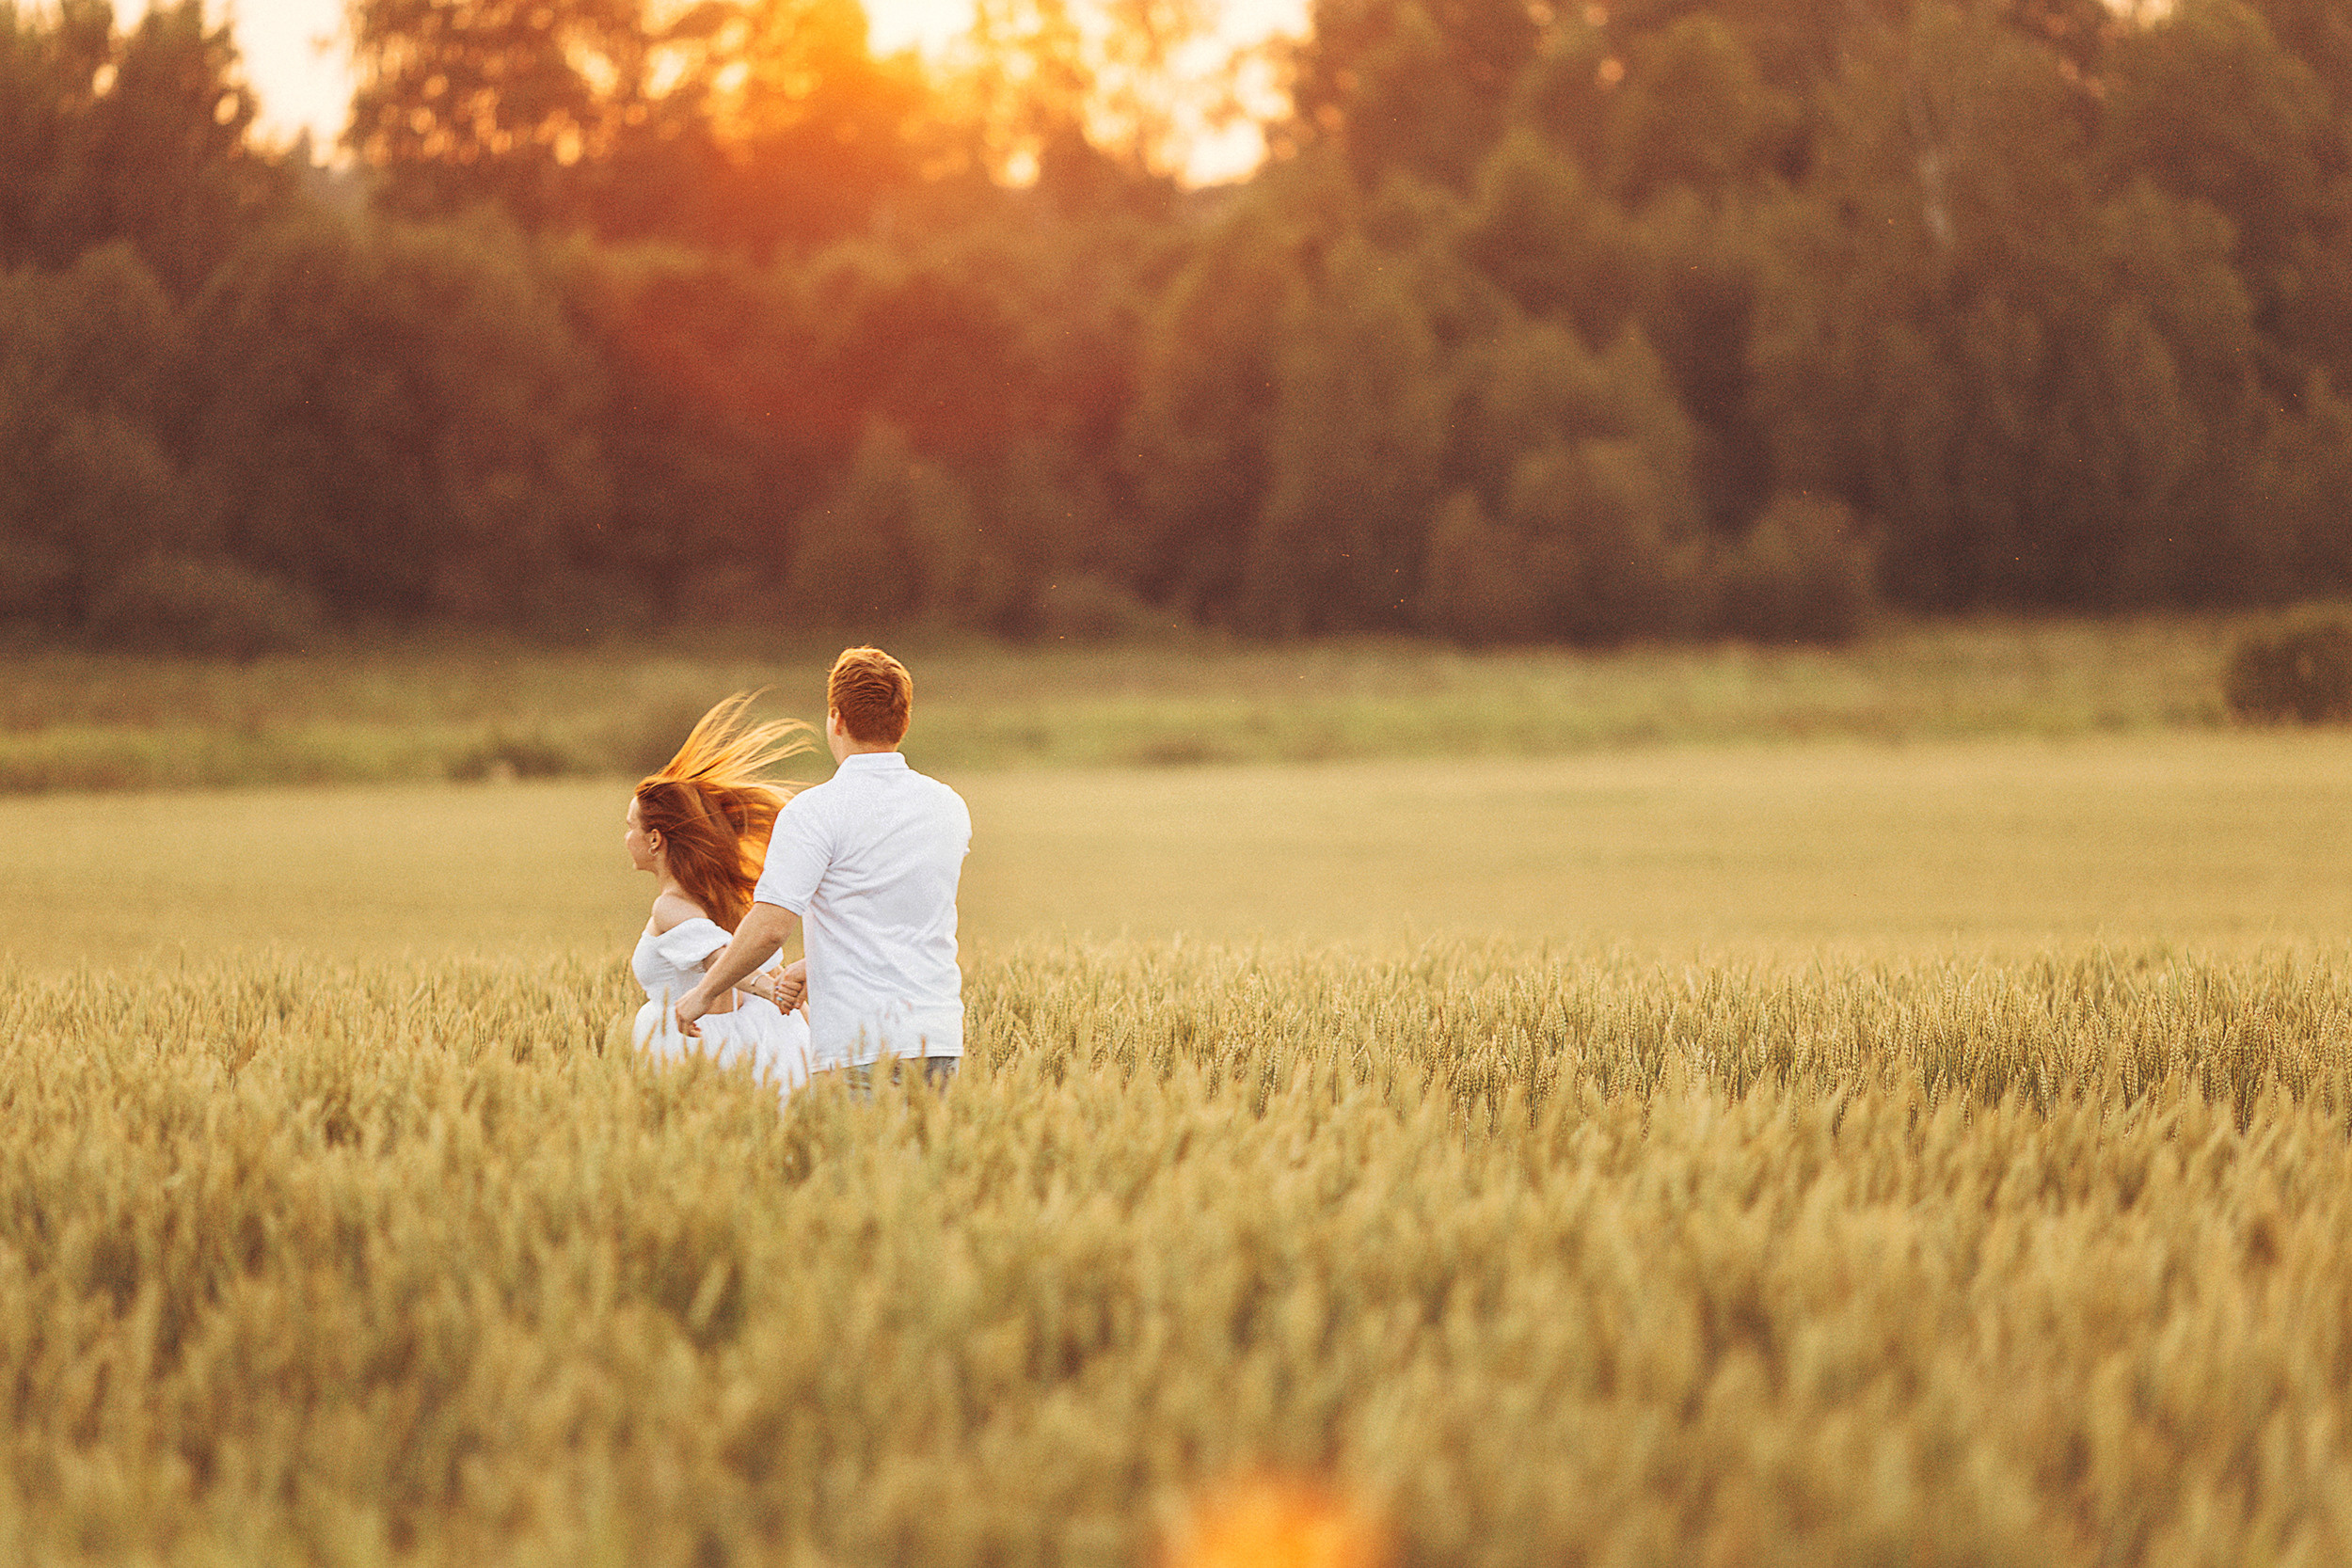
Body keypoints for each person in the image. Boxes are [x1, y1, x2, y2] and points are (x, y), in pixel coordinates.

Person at [675, 647, 971, 1092]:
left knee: (855, 1164)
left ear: (835, 717)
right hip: (939, 1038)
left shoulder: (814, 812)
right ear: (904, 721)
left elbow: (771, 927)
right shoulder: (948, 806)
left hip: (858, 1046)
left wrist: (701, 994)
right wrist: (814, 966)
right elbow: (898, 914)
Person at [626, 691, 815, 1101]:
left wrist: (771, 990)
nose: (625, 838)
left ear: (655, 839)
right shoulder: (728, 900)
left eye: (631, 827)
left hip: (692, 1050)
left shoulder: (670, 907)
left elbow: (722, 961)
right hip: (746, 1044)